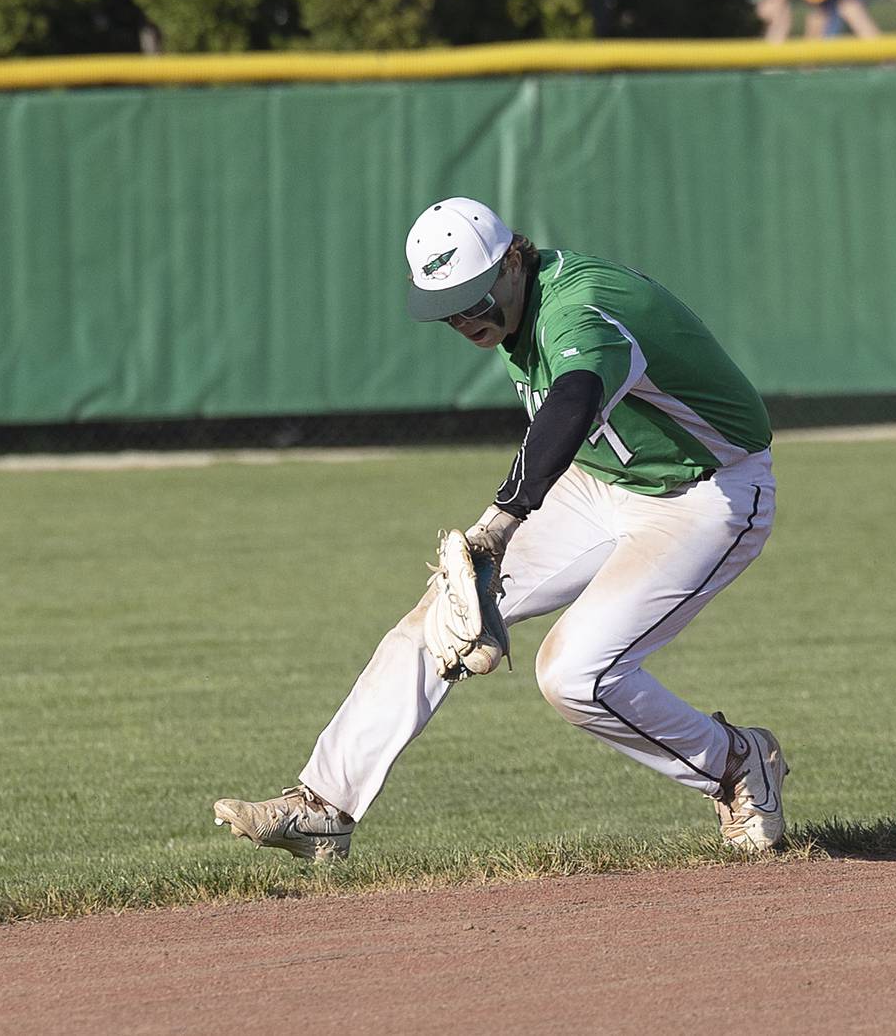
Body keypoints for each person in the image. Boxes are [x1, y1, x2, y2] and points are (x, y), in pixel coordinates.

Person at [213, 197, 787, 861]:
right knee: (442, 615)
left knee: (573, 676)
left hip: (708, 493)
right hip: (603, 482)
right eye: (449, 310)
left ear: (514, 259)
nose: (466, 319)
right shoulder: (516, 305)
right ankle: (324, 806)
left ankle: (736, 764)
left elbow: (572, 401)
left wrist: (501, 521)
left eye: (474, 299)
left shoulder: (580, 307)